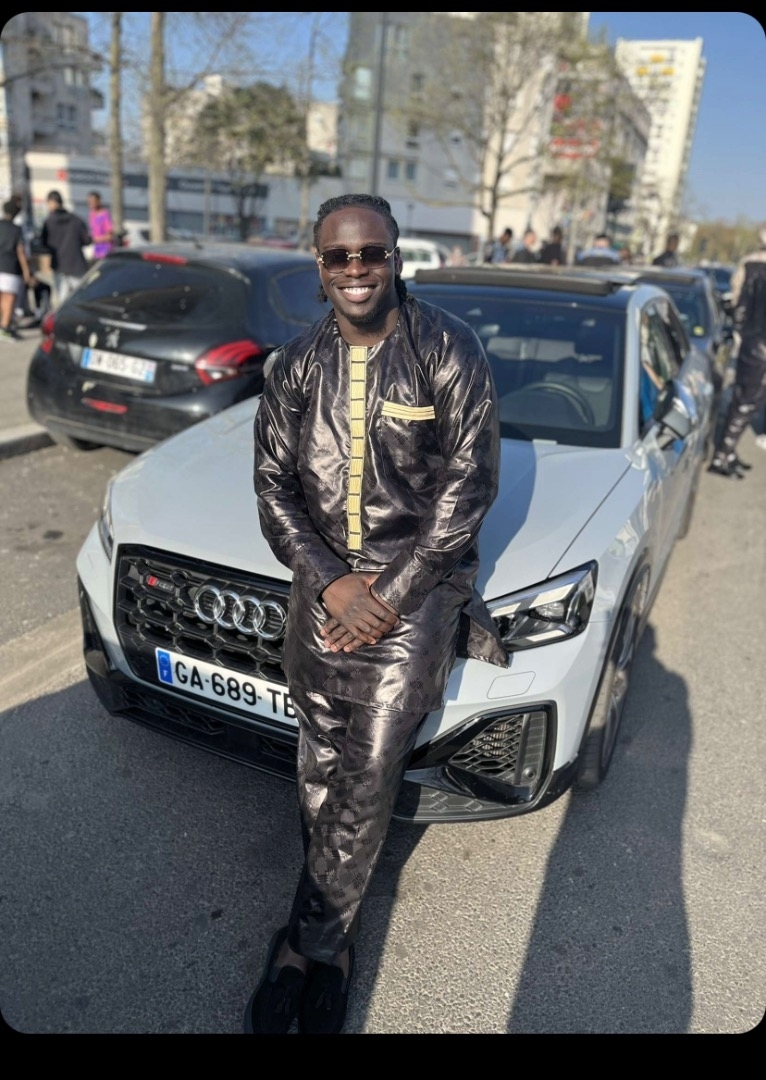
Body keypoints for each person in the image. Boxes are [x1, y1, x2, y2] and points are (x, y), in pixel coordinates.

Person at [249, 193, 507, 1035]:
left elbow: (468, 490)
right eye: (339, 256)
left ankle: (305, 948)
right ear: (319, 265)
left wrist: (388, 595)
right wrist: (331, 583)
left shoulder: (448, 350)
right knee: (320, 767)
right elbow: (273, 488)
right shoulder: (294, 365)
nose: (355, 270)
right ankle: (335, 943)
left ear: (396, 257)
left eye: (371, 254)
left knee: (368, 771)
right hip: (322, 592)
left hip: (416, 590)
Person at [707, 226, 766, 478]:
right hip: (760, 344)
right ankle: (722, 455)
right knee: (748, 400)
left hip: (753, 341)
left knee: (745, 398)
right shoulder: (755, 266)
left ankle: (727, 452)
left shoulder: (750, 264)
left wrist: (743, 334)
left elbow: (739, 305)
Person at [40, 190, 91, 307]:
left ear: (51, 202)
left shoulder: (49, 222)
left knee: (62, 302)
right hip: (77, 264)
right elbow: (87, 240)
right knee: (81, 300)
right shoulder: (76, 220)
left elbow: (44, 243)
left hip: (59, 266)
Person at [0, 199, 35, 341]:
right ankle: (5, 328)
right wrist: (26, 272)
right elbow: (21, 251)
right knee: (9, 298)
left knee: (2, 297)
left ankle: (3, 324)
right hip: (10, 267)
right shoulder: (16, 229)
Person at [86, 190, 115, 260]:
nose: (91, 204)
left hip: (106, 250)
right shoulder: (91, 214)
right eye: (89, 202)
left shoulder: (104, 214)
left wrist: (95, 239)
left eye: (93, 201)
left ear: (98, 201)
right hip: (96, 250)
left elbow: (110, 236)